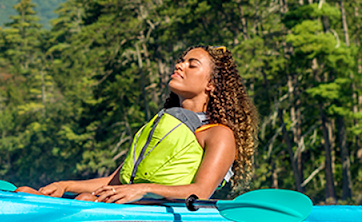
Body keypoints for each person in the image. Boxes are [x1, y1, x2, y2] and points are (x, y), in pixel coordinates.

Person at [19, 45, 257, 203]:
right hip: (134, 204)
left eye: (191, 64)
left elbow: (201, 192)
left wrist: (144, 189)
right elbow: (116, 182)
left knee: (85, 200)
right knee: (26, 193)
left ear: (211, 85)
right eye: (181, 61)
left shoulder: (219, 134)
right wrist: (63, 185)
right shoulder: (162, 124)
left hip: (164, 212)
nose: (180, 65)